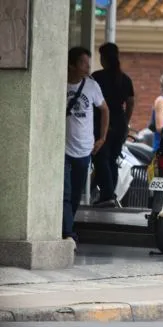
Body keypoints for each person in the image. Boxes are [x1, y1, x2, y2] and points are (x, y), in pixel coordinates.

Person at [64, 47, 109, 241]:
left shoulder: (91, 86)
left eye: (87, 63)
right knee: (64, 193)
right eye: (83, 63)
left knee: (75, 194)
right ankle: (67, 232)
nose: (87, 67)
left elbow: (105, 110)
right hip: (62, 149)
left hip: (84, 149)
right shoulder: (60, 84)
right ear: (71, 65)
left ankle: (67, 225)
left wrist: (102, 138)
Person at [91, 42, 135, 207]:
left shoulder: (97, 77)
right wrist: (126, 122)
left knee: (101, 158)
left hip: (102, 123)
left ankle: (107, 195)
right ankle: (109, 194)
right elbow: (131, 102)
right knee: (112, 160)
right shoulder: (125, 79)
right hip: (120, 123)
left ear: (103, 58)